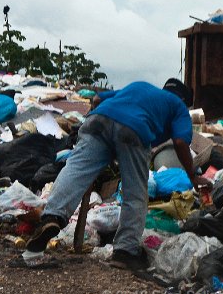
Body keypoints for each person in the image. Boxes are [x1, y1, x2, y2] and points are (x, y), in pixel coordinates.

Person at [25, 78, 210, 270]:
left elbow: (97, 99)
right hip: (134, 130)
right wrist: (193, 176)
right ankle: (125, 251)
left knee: (75, 171)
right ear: (185, 101)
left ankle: (51, 217)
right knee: (135, 192)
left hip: (99, 119)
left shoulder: (138, 86)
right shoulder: (179, 108)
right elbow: (180, 143)